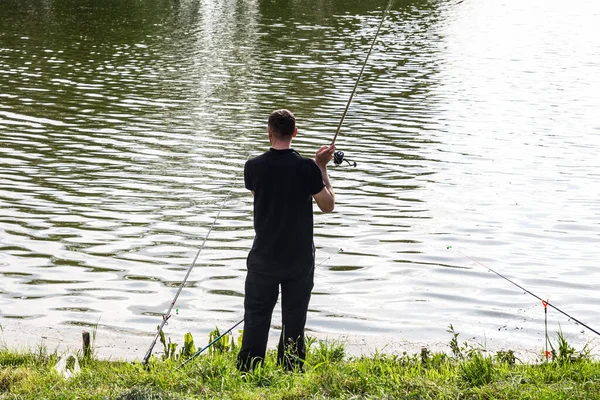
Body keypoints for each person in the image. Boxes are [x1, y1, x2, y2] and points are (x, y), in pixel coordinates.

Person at [236, 109, 335, 372]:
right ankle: (290, 369)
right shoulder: (307, 168)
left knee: (256, 316)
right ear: (295, 132)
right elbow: (328, 206)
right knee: (294, 317)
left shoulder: (253, 166)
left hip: (263, 256)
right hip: (299, 258)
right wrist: (322, 167)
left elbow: (258, 193)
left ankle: (249, 369)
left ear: (269, 132)